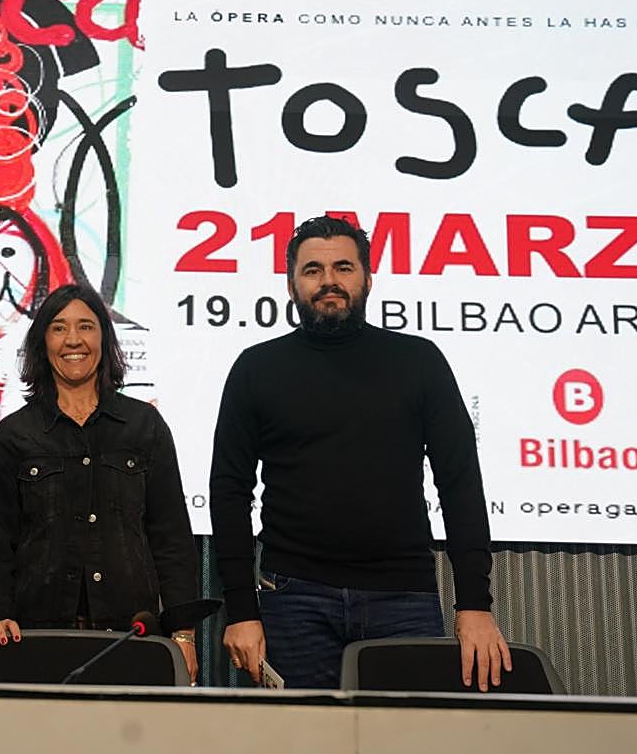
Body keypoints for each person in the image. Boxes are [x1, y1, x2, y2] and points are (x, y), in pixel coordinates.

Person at [210, 215, 511, 691]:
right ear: (291, 285)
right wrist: (242, 610)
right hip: (294, 598)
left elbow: (460, 484)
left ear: (368, 279)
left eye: (344, 268)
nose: (328, 281)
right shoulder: (256, 369)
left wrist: (475, 604)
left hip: (403, 596)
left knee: (407, 732)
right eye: (313, 270)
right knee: (303, 733)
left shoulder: (420, 361)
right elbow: (229, 492)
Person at [0, 285, 200, 683]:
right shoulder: (13, 436)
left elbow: (171, 538)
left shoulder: (144, 427)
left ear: (104, 339)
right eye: (59, 328)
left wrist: (183, 632)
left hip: (132, 636)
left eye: (86, 326)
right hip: (34, 638)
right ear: (42, 342)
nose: (73, 340)